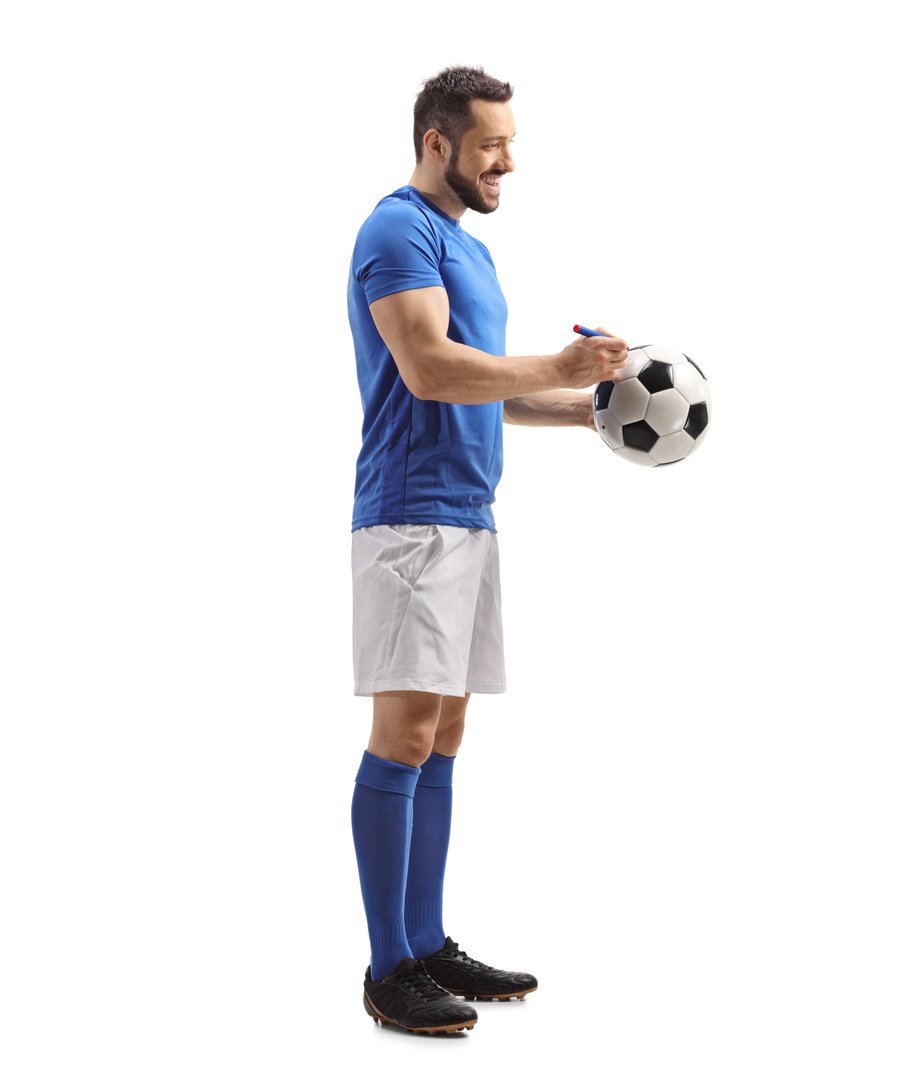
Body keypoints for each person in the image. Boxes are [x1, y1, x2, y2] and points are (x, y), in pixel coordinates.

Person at [346, 65, 627, 1036]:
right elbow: (427, 369)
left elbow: (486, 389)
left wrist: (596, 413)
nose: (509, 160)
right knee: (406, 738)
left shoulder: (467, 250)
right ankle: (388, 969)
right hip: (408, 516)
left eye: (510, 141)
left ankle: (425, 942)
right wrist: (553, 361)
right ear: (437, 143)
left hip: (469, 512)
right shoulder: (397, 231)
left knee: (449, 737)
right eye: (491, 144)